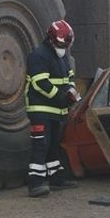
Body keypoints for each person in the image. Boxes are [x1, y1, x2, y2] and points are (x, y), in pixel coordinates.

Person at [24, 20, 79, 197]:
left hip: (56, 110)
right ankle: (35, 183)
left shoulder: (61, 56)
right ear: (50, 40)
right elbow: (40, 83)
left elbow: (69, 76)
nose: (63, 47)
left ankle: (56, 178)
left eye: (66, 45)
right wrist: (61, 97)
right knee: (40, 145)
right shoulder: (38, 56)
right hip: (40, 109)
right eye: (61, 44)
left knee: (53, 145)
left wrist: (71, 92)